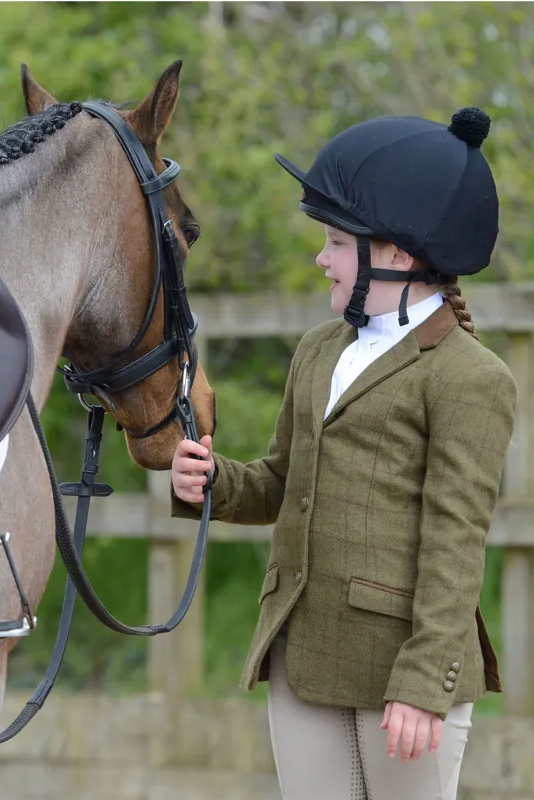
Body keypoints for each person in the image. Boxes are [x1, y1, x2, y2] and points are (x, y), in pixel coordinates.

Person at [170, 107, 517, 799]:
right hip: (302, 650)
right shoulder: (319, 349)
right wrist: (209, 483)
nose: (320, 258)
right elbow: (279, 480)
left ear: (397, 254)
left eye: (334, 241)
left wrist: (424, 683)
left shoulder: (470, 379)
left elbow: (455, 543)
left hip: (402, 673)